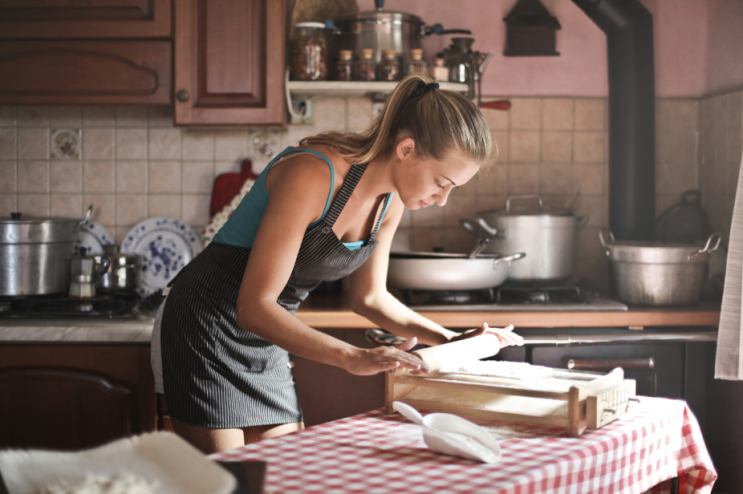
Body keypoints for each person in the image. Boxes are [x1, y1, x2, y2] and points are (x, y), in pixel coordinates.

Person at [151, 73, 524, 454]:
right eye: (441, 182)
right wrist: (352, 357)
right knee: (228, 479)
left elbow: (371, 299)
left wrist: (454, 341)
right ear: (407, 150)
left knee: (281, 474)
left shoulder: (390, 201)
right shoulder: (314, 173)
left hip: (268, 333)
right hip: (206, 323)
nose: (442, 199)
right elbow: (254, 305)